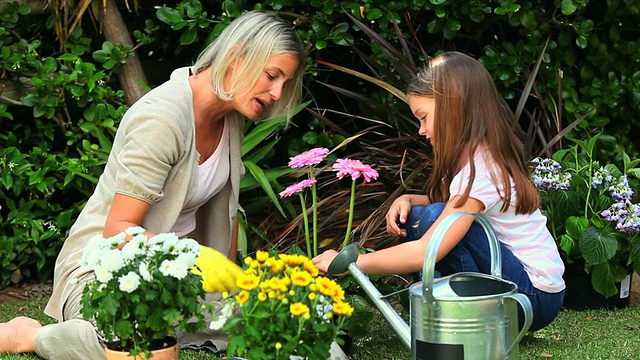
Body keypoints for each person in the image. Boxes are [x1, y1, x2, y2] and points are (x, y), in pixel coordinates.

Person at [0, 10, 305, 359]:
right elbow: (118, 231)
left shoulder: (230, 117)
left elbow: (225, 208)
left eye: (285, 82)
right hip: (105, 273)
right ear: (235, 57)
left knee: (271, 325)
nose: (278, 92)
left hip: (176, 278)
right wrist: (195, 258)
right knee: (138, 349)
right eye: (271, 76)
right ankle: (30, 337)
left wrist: (233, 283)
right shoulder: (163, 118)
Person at [313, 51, 566, 332]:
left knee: (432, 219)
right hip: (529, 290)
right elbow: (450, 205)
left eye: (424, 117)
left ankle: (461, 317)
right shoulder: (477, 157)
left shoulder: (480, 170)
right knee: (425, 214)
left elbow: (426, 251)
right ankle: (452, 312)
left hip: (533, 297)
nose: (421, 130)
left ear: (454, 109)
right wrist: (407, 198)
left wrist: (350, 263)